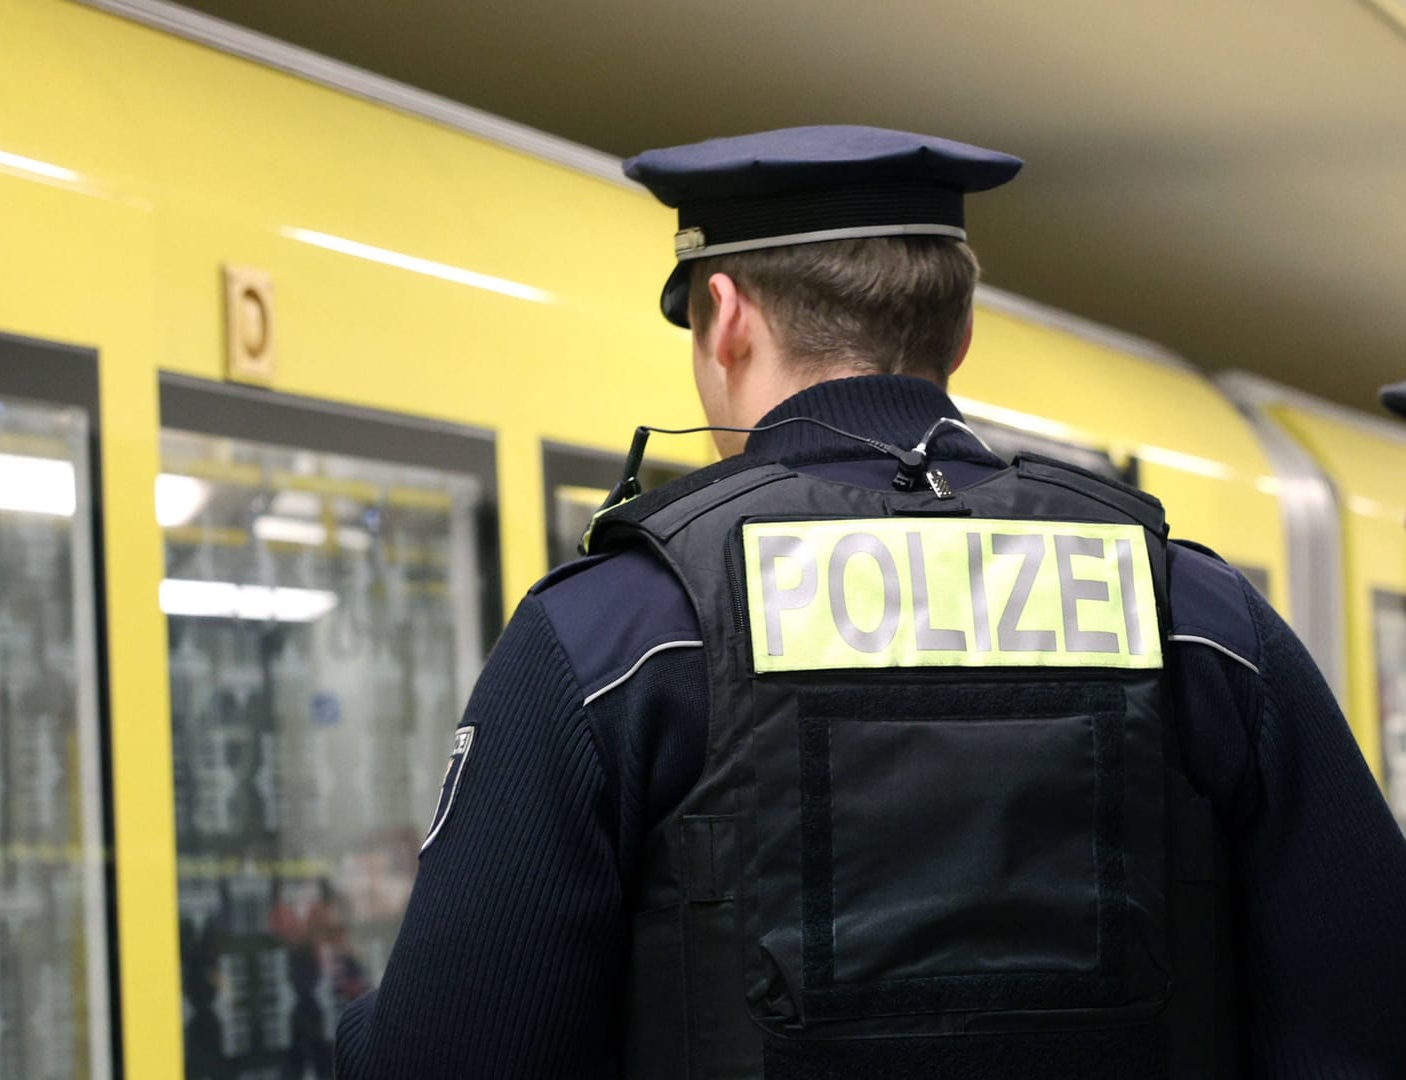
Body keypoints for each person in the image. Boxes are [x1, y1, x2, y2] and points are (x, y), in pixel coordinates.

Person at [333, 126, 1406, 1078]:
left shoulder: (622, 631)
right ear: (961, 337)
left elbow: (450, 1049)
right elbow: (1361, 1015)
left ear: (726, 314)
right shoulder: (1196, 616)